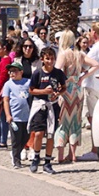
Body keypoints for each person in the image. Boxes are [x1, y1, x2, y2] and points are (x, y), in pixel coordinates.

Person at [27, 45, 66, 174]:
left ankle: (48, 162)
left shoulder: (58, 73)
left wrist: (58, 93)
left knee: (50, 134)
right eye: (47, 58)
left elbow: (63, 87)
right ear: (42, 59)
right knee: (38, 133)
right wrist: (43, 91)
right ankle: (36, 158)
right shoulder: (38, 73)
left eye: (52, 58)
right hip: (40, 104)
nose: (50, 61)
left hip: (53, 105)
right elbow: (31, 90)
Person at [53, 32, 86, 165]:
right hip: (77, 90)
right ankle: (72, 155)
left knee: (63, 123)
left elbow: (56, 72)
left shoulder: (63, 54)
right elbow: (96, 64)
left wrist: (60, 86)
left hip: (66, 90)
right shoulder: (79, 54)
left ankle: (60, 156)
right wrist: (82, 77)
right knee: (75, 123)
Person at [3, 62, 32, 169]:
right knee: (16, 139)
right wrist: (8, 115)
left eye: (15, 71)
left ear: (21, 72)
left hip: (26, 116)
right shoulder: (8, 84)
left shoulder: (27, 82)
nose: (12, 73)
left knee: (25, 137)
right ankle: (16, 160)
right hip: (15, 117)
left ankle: (16, 153)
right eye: (10, 71)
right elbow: (6, 100)